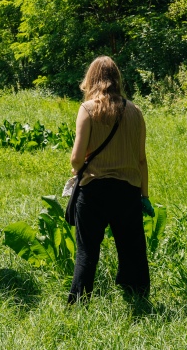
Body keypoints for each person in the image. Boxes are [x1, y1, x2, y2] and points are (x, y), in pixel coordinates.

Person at [68, 56, 154, 304]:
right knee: (133, 250)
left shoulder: (87, 109)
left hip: (93, 190)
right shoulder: (135, 111)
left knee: (87, 251)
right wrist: (145, 196)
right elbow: (141, 160)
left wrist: (81, 163)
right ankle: (138, 295)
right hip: (128, 191)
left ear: (91, 80)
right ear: (117, 79)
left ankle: (79, 303)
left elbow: (75, 159)